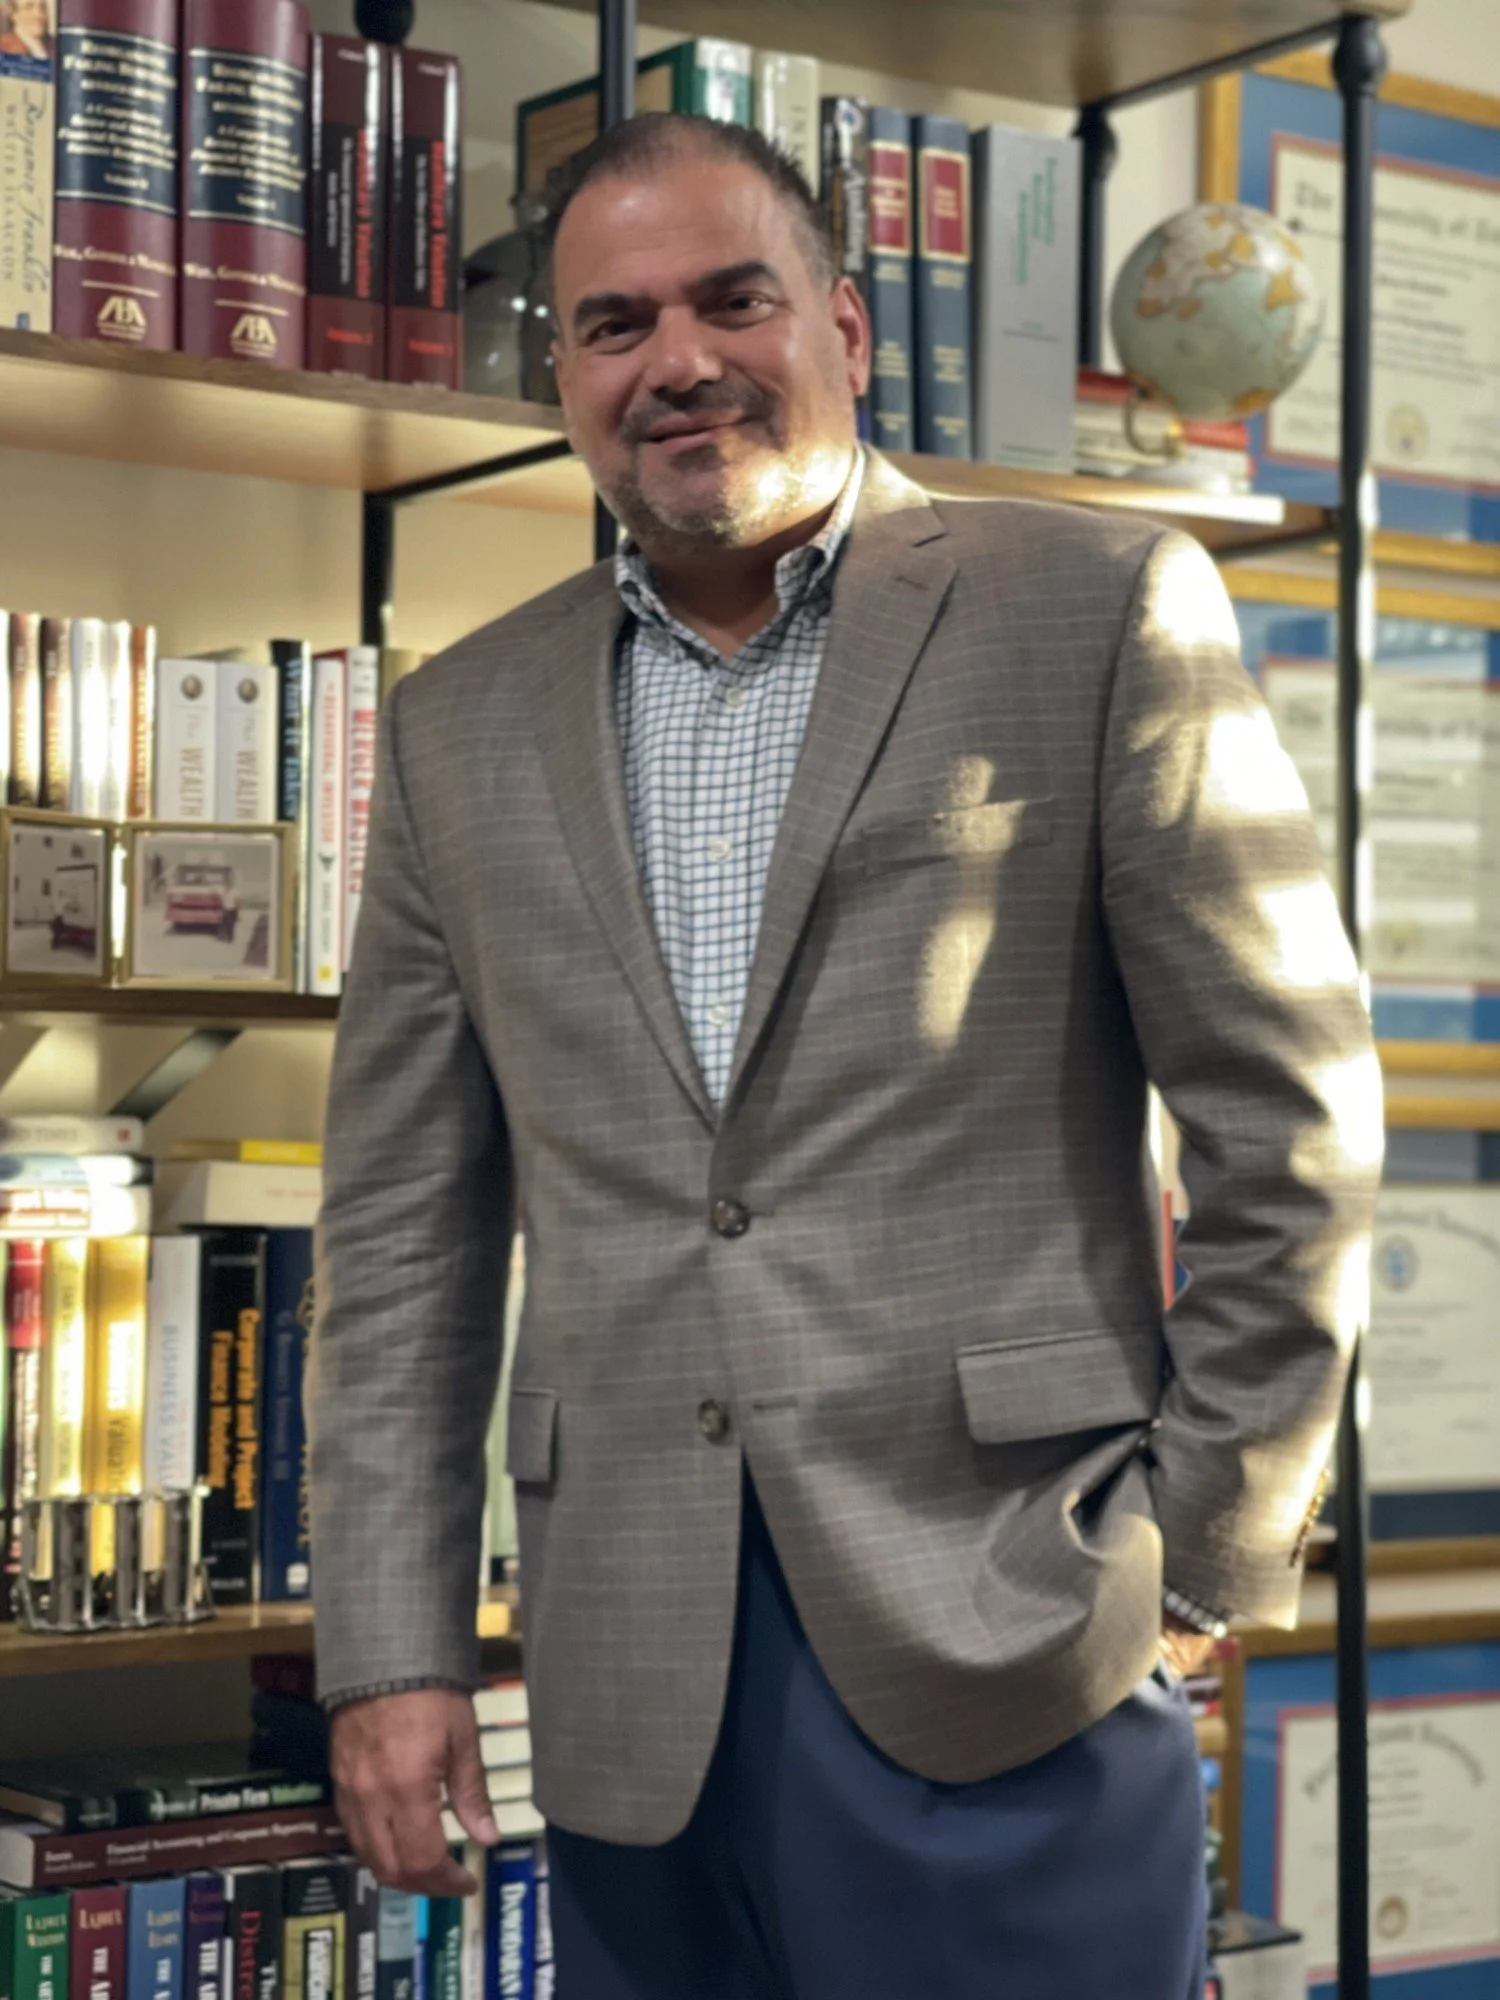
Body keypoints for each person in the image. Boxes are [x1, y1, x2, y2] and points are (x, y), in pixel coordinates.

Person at [311, 113, 1383, 1998]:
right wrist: (392, 1656)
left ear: (850, 327)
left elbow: (1289, 1128)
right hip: (624, 1680)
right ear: (563, 371)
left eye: (737, 300)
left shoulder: (1104, 610)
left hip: (1010, 1635)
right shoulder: (451, 727)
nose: (679, 362)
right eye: (615, 322)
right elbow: (399, 1240)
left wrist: (1202, 1557)